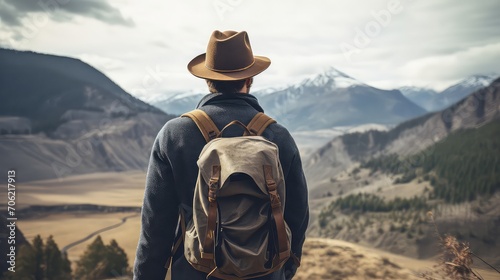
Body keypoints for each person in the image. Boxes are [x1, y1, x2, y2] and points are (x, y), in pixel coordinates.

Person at [134, 30, 309, 280]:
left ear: (208, 80)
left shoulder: (174, 135)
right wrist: (284, 270)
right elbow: (297, 216)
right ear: (250, 79)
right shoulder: (278, 137)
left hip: (195, 272)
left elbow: (155, 229)